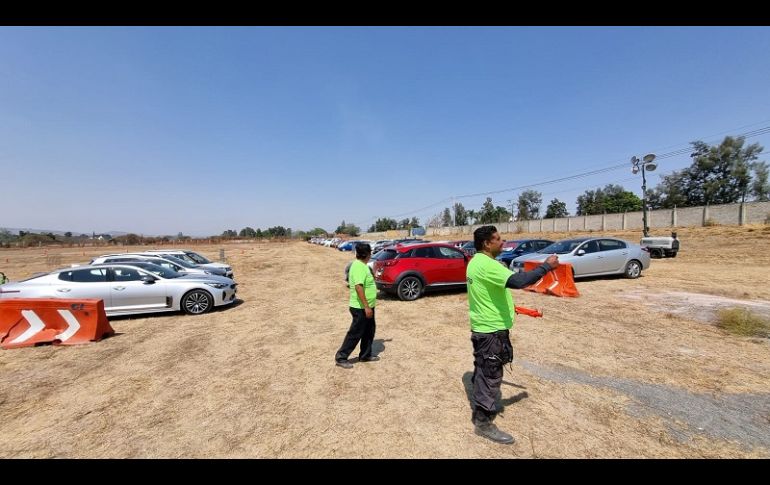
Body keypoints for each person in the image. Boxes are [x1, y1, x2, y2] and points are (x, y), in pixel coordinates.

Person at [466, 225, 559, 444]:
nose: (503, 242)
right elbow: (519, 281)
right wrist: (546, 266)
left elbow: (490, 293)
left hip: (485, 328)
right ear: (487, 244)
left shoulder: (475, 262)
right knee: (491, 375)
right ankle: (483, 422)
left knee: (484, 368)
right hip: (490, 332)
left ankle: (481, 396)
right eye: (498, 239)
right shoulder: (487, 264)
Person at [335, 243, 379, 369]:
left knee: (369, 331)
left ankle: (365, 355)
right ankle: (341, 357)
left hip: (368, 306)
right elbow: (358, 287)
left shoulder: (361, 265)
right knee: (355, 333)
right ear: (368, 254)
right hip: (361, 307)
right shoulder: (359, 267)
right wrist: (366, 307)